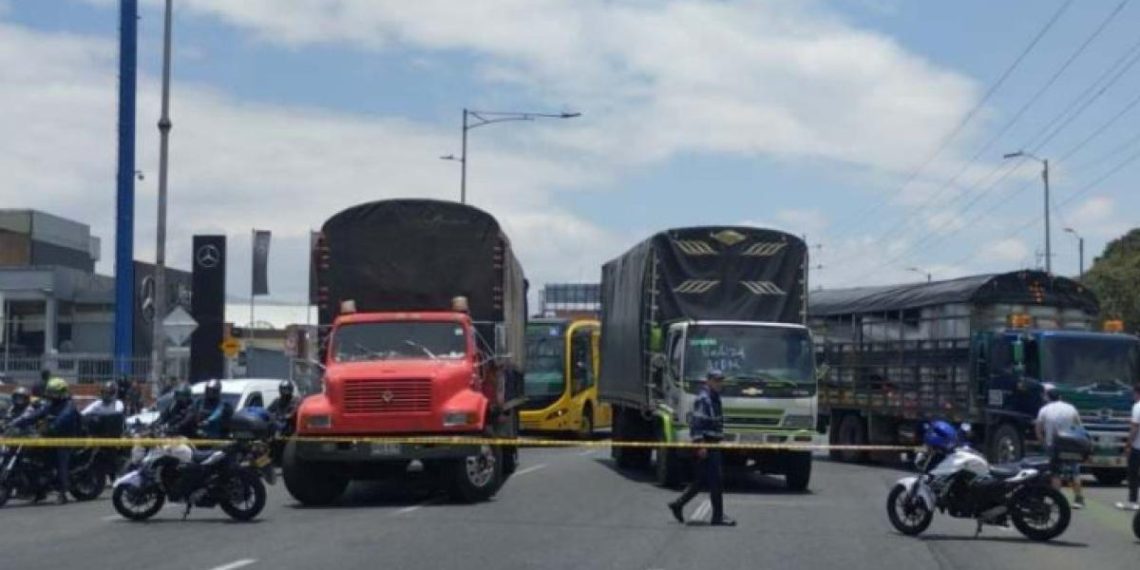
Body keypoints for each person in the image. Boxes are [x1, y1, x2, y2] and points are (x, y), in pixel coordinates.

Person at [668, 369, 736, 526]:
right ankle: (717, 517)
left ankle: (678, 504)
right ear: (709, 381)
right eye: (717, 380)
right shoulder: (704, 399)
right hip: (707, 443)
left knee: (701, 481)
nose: (720, 383)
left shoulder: (713, 397)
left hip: (712, 442)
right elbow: (697, 423)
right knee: (716, 481)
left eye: (721, 380)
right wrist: (701, 445)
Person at [12, 378, 81, 504]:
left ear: (62, 392)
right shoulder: (51, 405)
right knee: (32, 454)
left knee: (61, 462)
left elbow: (61, 420)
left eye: (54, 392)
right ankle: (39, 489)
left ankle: (63, 493)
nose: (51, 395)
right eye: (50, 392)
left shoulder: (69, 406)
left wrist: (49, 428)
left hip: (65, 440)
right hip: (49, 438)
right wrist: (16, 422)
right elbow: (36, 414)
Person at [1035, 383, 1085, 509]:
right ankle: (1078, 499)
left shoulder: (1044, 409)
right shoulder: (1071, 408)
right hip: (1071, 445)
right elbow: (1079, 426)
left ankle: (1056, 499)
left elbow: (1038, 429)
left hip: (1054, 446)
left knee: (1055, 473)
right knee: (1075, 472)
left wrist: (1043, 443)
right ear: (1060, 397)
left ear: (1047, 397)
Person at [1117, 383, 1140, 511]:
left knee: (1133, 474)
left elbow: (1135, 427)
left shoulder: (1137, 407)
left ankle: (1133, 501)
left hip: (1137, 446)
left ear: (1137, 393)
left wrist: (1128, 444)